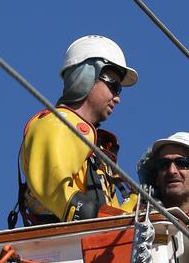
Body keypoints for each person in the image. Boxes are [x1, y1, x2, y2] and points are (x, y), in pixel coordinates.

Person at [12, 35, 138, 227]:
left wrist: (137, 206)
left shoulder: (97, 146)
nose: (117, 97)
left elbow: (112, 213)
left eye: (119, 89)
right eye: (113, 85)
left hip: (92, 244)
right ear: (86, 76)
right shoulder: (56, 123)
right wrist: (104, 218)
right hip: (64, 247)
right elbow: (54, 189)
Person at [136, 132, 189, 213]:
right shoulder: (131, 220)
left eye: (182, 163)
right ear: (157, 177)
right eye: (164, 164)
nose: (171, 171)